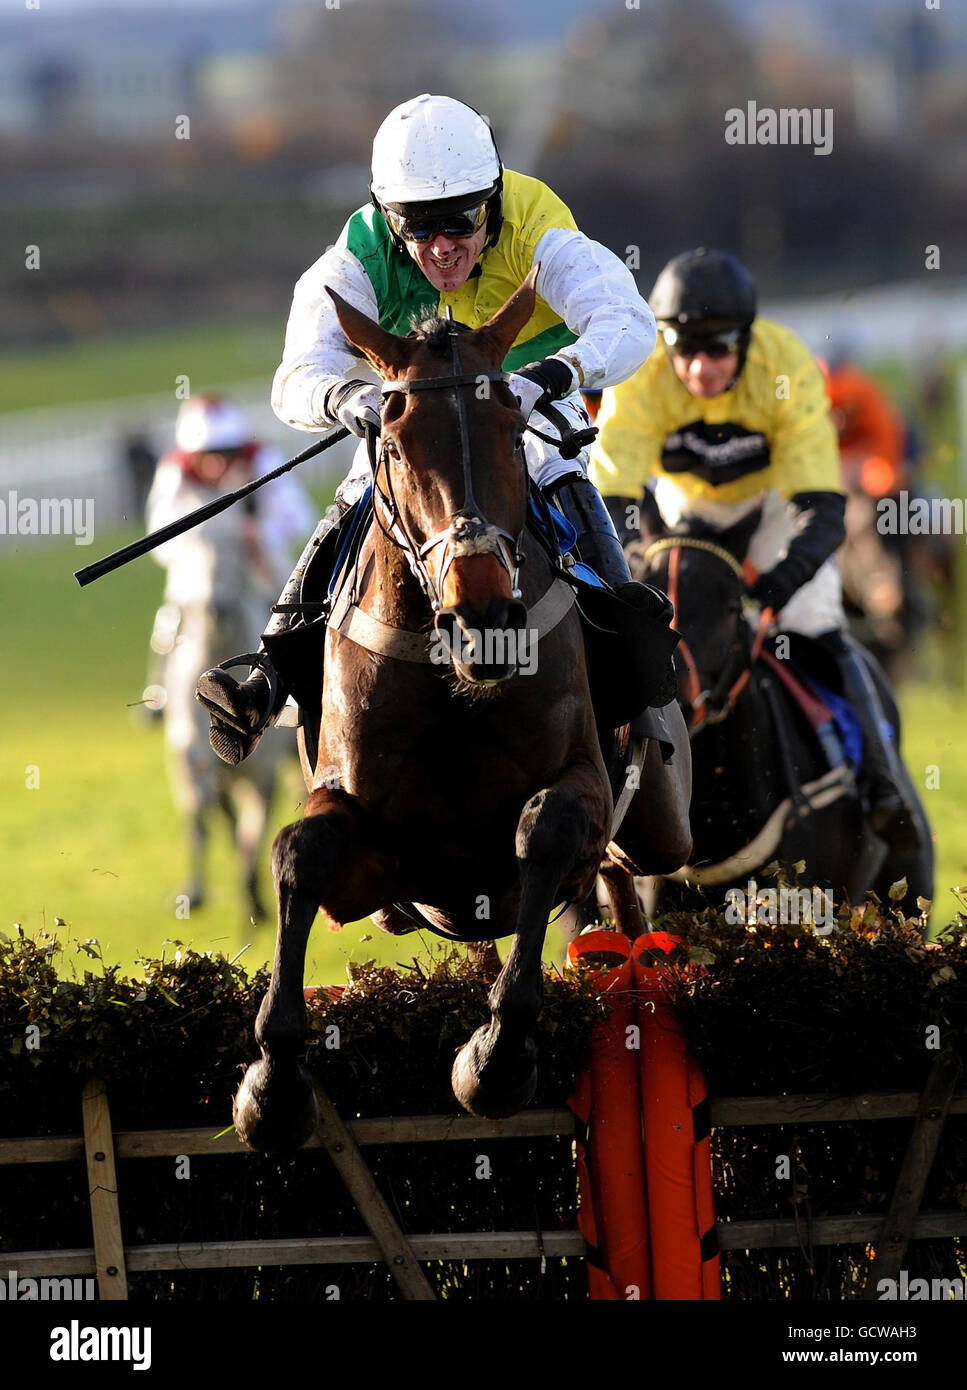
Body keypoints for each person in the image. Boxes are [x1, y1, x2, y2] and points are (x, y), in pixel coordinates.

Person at [196, 93, 672, 766]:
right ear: (387, 218)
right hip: (417, 418)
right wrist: (347, 398)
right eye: (417, 229)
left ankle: (636, 673)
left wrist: (551, 377)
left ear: (493, 201)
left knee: (554, 468)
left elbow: (628, 321)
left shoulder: (538, 226)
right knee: (365, 485)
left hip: (522, 402)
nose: (441, 246)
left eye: (460, 221)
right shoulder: (357, 253)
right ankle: (268, 679)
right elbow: (295, 375)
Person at [589, 247, 921, 851]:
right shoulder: (642, 369)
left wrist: (774, 586)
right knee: (636, 634)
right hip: (682, 510)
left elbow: (820, 509)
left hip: (772, 507)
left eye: (717, 347)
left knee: (814, 625)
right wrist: (638, 563)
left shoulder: (787, 363)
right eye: (683, 348)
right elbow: (612, 497)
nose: (698, 366)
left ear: (747, 339)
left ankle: (880, 781)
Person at [144, 395, 313, 713]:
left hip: (256, 560)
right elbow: (160, 537)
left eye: (226, 453)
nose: (218, 464)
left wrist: (260, 532)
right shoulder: (174, 472)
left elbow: (299, 518)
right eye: (208, 455)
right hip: (201, 566)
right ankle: (159, 691)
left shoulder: (263, 461)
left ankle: (301, 693)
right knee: (173, 613)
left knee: (292, 613)